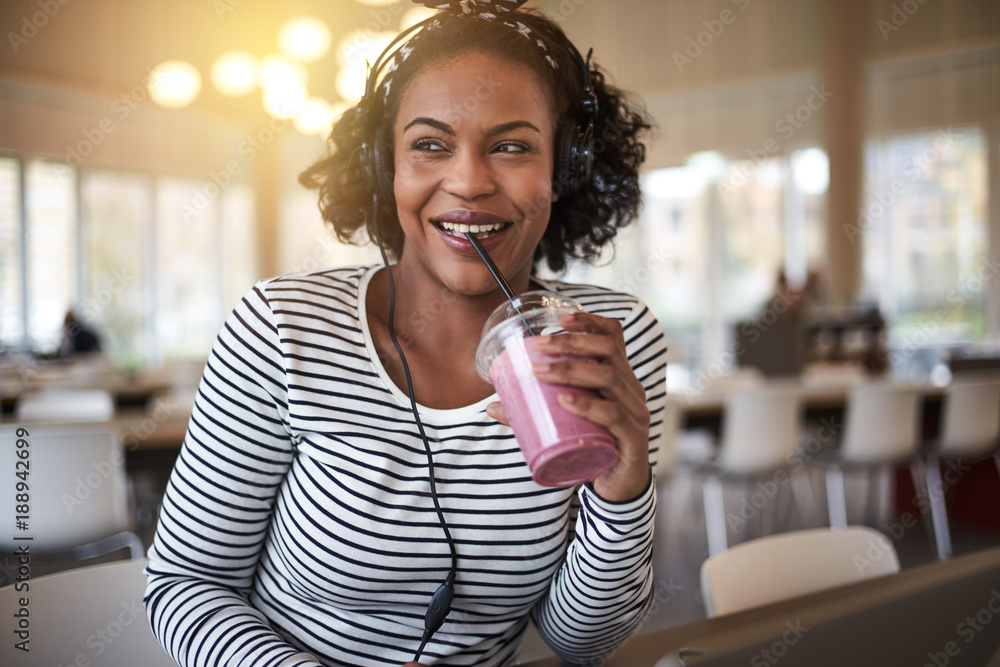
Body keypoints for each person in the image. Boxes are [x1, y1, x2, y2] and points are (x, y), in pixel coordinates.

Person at [144, 2, 666, 666]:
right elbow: (186, 584)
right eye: (430, 144)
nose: (470, 180)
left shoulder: (606, 342)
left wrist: (624, 488)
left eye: (511, 145)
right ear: (385, 167)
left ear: (561, 171)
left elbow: (581, 639)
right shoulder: (283, 327)